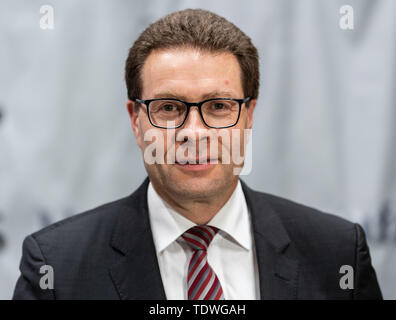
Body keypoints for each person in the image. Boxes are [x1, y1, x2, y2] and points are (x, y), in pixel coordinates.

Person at [13, 8, 382, 300]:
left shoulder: (336, 255)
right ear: (136, 120)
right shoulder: (57, 267)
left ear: (248, 115)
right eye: (169, 108)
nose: (193, 132)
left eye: (219, 106)